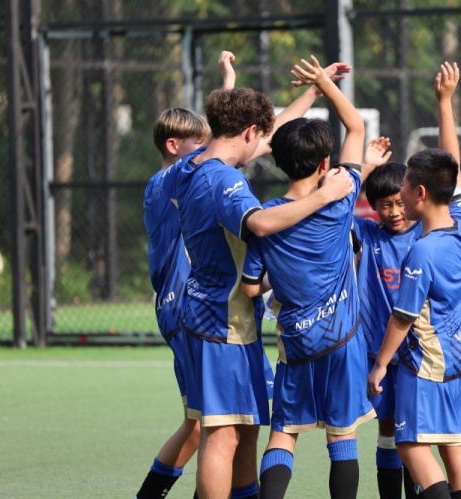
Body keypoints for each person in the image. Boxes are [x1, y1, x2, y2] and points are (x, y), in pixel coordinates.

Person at [161, 59, 356, 498]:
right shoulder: (224, 181)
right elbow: (262, 224)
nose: (266, 144)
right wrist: (325, 195)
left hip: (222, 317)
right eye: (260, 136)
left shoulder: (193, 164)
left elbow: (273, 136)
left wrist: (314, 91)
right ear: (248, 132)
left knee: (247, 428)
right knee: (223, 435)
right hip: (220, 321)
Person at [240, 55, 375, 499]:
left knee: (284, 434)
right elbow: (356, 127)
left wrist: (278, 279)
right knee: (343, 436)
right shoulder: (340, 196)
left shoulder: (265, 218)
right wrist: (323, 83)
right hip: (342, 340)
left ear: (279, 161)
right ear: (324, 162)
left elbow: (250, 286)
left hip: (296, 343)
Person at [368, 61, 461, 499]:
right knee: (456, 448)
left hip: (429, 365)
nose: (398, 198)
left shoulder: (421, 251)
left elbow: (402, 317)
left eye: (403, 191)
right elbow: (450, 165)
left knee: (410, 445)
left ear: (418, 194)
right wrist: (444, 103)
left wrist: (380, 364)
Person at [136, 106, 209, 499]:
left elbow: (238, 139)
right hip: (181, 308)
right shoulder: (168, 180)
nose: (205, 147)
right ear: (173, 145)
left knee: (197, 425)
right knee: (216, 424)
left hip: (182, 308)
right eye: (198, 142)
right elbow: (230, 142)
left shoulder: (179, 178)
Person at [351, 139, 421, 499]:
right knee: (388, 430)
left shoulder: (427, 235)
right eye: (384, 204)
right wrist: (364, 168)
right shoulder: (367, 234)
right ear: (373, 206)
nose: (394, 211)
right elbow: (334, 210)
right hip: (377, 353)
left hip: (419, 354)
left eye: (399, 202)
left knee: (416, 434)